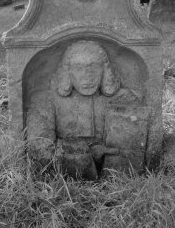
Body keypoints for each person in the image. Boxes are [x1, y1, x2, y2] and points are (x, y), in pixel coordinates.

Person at [27, 40, 141, 179]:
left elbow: (136, 146)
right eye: (79, 68)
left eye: (94, 67)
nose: (87, 75)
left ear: (105, 70)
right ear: (67, 71)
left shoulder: (125, 99)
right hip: (64, 189)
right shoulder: (45, 101)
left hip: (120, 184)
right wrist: (87, 154)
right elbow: (39, 150)